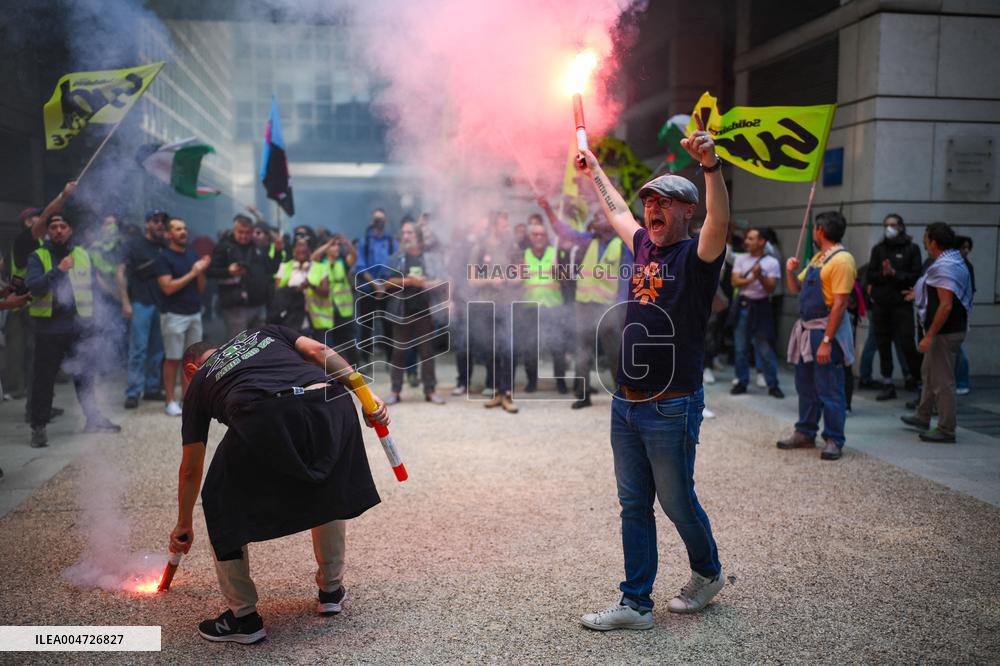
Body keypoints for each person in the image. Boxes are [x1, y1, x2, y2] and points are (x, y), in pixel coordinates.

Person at [577, 120, 729, 631]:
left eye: (666, 201)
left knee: (676, 499)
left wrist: (709, 166)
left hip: (671, 402)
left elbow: (720, 225)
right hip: (626, 400)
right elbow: (616, 208)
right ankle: (636, 604)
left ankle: (707, 573)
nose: (653, 208)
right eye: (651, 201)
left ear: (688, 210)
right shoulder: (643, 245)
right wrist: (595, 169)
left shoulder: (697, 255)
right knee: (633, 504)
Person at [169, 326, 388, 644]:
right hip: (331, 401)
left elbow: (191, 469)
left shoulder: (200, 381)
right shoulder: (261, 332)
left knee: (218, 498)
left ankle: (243, 618)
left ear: (190, 369)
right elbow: (320, 353)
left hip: (266, 413)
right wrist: (367, 397)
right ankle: (331, 590)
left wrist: (183, 523)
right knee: (325, 485)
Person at [25, 214, 120, 447]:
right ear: (48, 232)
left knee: (85, 377)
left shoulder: (82, 254)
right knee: (43, 381)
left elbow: (93, 288)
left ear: (70, 230)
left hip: (79, 328)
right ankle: (38, 427)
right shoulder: (38, 256)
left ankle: (93, 418)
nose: (58, 230)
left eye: (62, 226)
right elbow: (34, 287)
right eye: (54, 227)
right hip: (48, 330)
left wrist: (98, 319)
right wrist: (58, 270)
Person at [537, 197, 634, 409]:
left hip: (607, 308)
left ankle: (624, 396)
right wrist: (547, 209)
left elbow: (625, 282)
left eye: (600, 215)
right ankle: (582, 395)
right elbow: (563, 231)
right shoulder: (588, 240)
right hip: (584, 306)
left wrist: (621, 309)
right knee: (582, 351)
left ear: (611, 222)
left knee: (615, 353)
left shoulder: (622, 246)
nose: (595, 218)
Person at [778, 211, 856, 461]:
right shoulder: (818, 259)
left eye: (815, 228)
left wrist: (826, 341)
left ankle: (834, 438)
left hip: (824, 332)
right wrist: (790, 270)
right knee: (806, 386)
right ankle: (805, 431)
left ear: (820, 230)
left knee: (830, 388)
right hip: (807, 331)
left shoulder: (842, 260)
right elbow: (796, 288)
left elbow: (840, 304)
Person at [5, 182, 76, 412]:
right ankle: (32, 408)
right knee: (32, 362)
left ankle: (38, 407)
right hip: (22, 307)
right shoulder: (26, 241)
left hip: (28, 305)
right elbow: (47, 216)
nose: (43, 224)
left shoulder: (36, 246)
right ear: (28, 224)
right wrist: (63, 195)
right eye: (36, 220)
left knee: (38, 364)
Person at [900, 223, 973, 443]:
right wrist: (918, 293)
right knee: (929, 374)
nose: (923, 241)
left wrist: (929, 335)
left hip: (944, 333)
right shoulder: (950, 261)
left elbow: (946, 305)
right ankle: (923, 416)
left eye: (926, 238)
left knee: (942, 381)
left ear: (933, 242)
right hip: (946, 331)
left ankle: (946, 429)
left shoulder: (945, 266)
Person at [385, 219, 445, 404]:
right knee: (398, 352)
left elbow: (442, 281)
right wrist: (408, 281)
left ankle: (430, 390)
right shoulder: (397, 257)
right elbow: (386, 283)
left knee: (427, 352)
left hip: (425, 310)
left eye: (409, 233)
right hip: (402, 310)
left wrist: (425, 283)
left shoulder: (430, 258)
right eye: (403, 233)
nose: (406, 236)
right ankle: (395, 391)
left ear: (418, 237)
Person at [155, 218, 210, 416]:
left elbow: (201, 287)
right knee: (173, 359)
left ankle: (187, 400)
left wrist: (201, 271)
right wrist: (192, 272)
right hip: (174, 314)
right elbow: (168, 288)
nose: (183, 232)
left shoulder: (192, 254)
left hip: (194, 313)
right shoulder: (164, 258)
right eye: (178, 229)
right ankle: (169, 401)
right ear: (169, 234)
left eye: (185, 228)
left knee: (192, 360)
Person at [865, 214, 922, 400]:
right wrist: (884, 273)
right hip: (882, 304)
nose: (889, 228)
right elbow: (870, 275)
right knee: (882, 342)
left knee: (907, 342)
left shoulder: (912, 249)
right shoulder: (879, 249)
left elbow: (915, 276)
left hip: (902, 304)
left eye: (893, 225)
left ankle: (917, 379)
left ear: (901, 227)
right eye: (886, 225)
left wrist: (895, 273)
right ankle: (888, 382)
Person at [468, 211, 520, 412]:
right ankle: (496, 392)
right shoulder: (479, 248)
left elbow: (520, 274)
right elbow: (472, 280)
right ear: (492, 226)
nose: (506, 229)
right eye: (502, 225)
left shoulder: (512, 248)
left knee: (508, 349)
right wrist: (490, 280)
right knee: (491, 350)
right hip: (486, 306)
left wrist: (506, 279)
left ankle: (508, 394)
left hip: (507, 305)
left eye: (507, 225)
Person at [117, 210, 167, 409]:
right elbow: (120, 273)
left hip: (161, 303)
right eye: (155, 221)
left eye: (162, 221)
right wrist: (125, 302)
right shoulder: (133, 244)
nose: (159, 224)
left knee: (157, 350)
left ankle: (152, 388)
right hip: (140, 302)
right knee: (138, 350)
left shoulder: (164, 245)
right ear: (147, 224)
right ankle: (133, 391)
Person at [208, 214, 282, 339]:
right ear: (234, 230)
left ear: (252, 232)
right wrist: (228, 271)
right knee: (238, 345)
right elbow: (210, 272)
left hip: (258, 305)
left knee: (259, 344)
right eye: (240, 232)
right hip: (235, 306)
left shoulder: (257, 247)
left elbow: (271, 268)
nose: (244, 236)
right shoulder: (224, 247)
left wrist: (278, 252)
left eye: (247, 232)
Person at [730, 227, 783, 398]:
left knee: (765, 348)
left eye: (751, 239)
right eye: (747, 238)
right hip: (744, 305)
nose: (746, 241)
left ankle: (773, 384)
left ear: (761, 242)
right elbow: (734, 281)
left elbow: (771, 288)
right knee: (740, 348)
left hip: (761, 306)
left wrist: (760, 276)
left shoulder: (772, 262)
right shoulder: (741, 259)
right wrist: (753, 278)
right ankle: (741, 381)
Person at [517, 221, 569, 394]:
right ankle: (531, 381)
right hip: (530, 306)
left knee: (557, 346)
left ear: (546, 237)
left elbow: (567, 278)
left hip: (553, 306)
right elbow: (517, 280)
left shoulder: (555, 253)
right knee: (530, 346)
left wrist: (559, 269)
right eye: (535, 234)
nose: (538, 237)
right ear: (530, 237)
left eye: (542, 234)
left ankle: (560, 382)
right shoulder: (524, 255)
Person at [353, 209, 397, 366]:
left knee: (389, 326)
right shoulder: (365, 241)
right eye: (376, 219)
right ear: (372, 221)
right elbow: (360, 266)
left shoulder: (392, 242)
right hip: (367, 289)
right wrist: (375, 285)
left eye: (382, 219)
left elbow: (396, 265)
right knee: (366, 326)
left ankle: (391, 361)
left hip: (388, 289)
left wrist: (384, 285)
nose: (379, 222)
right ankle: (364, 361)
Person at [312, 234, 358, 365]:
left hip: (343, 311)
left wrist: (347, 243)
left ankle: (355, 369)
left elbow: (354, 256)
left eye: (338, 245)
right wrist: (328, 244)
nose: (336, 248)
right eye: (334, 245)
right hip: (327, 311)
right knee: (329, 344)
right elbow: (313, 257)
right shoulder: (321, 264)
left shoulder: (342, 263)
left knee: (349, 343)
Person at [953, 235, 974, 395]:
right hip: (957, 311)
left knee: (957, 349)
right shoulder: (960, 265)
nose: (965, 251)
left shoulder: (965, 266)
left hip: (958, 313)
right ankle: (960, 380)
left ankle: (962, 380)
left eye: (967, 248)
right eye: (963, 247)